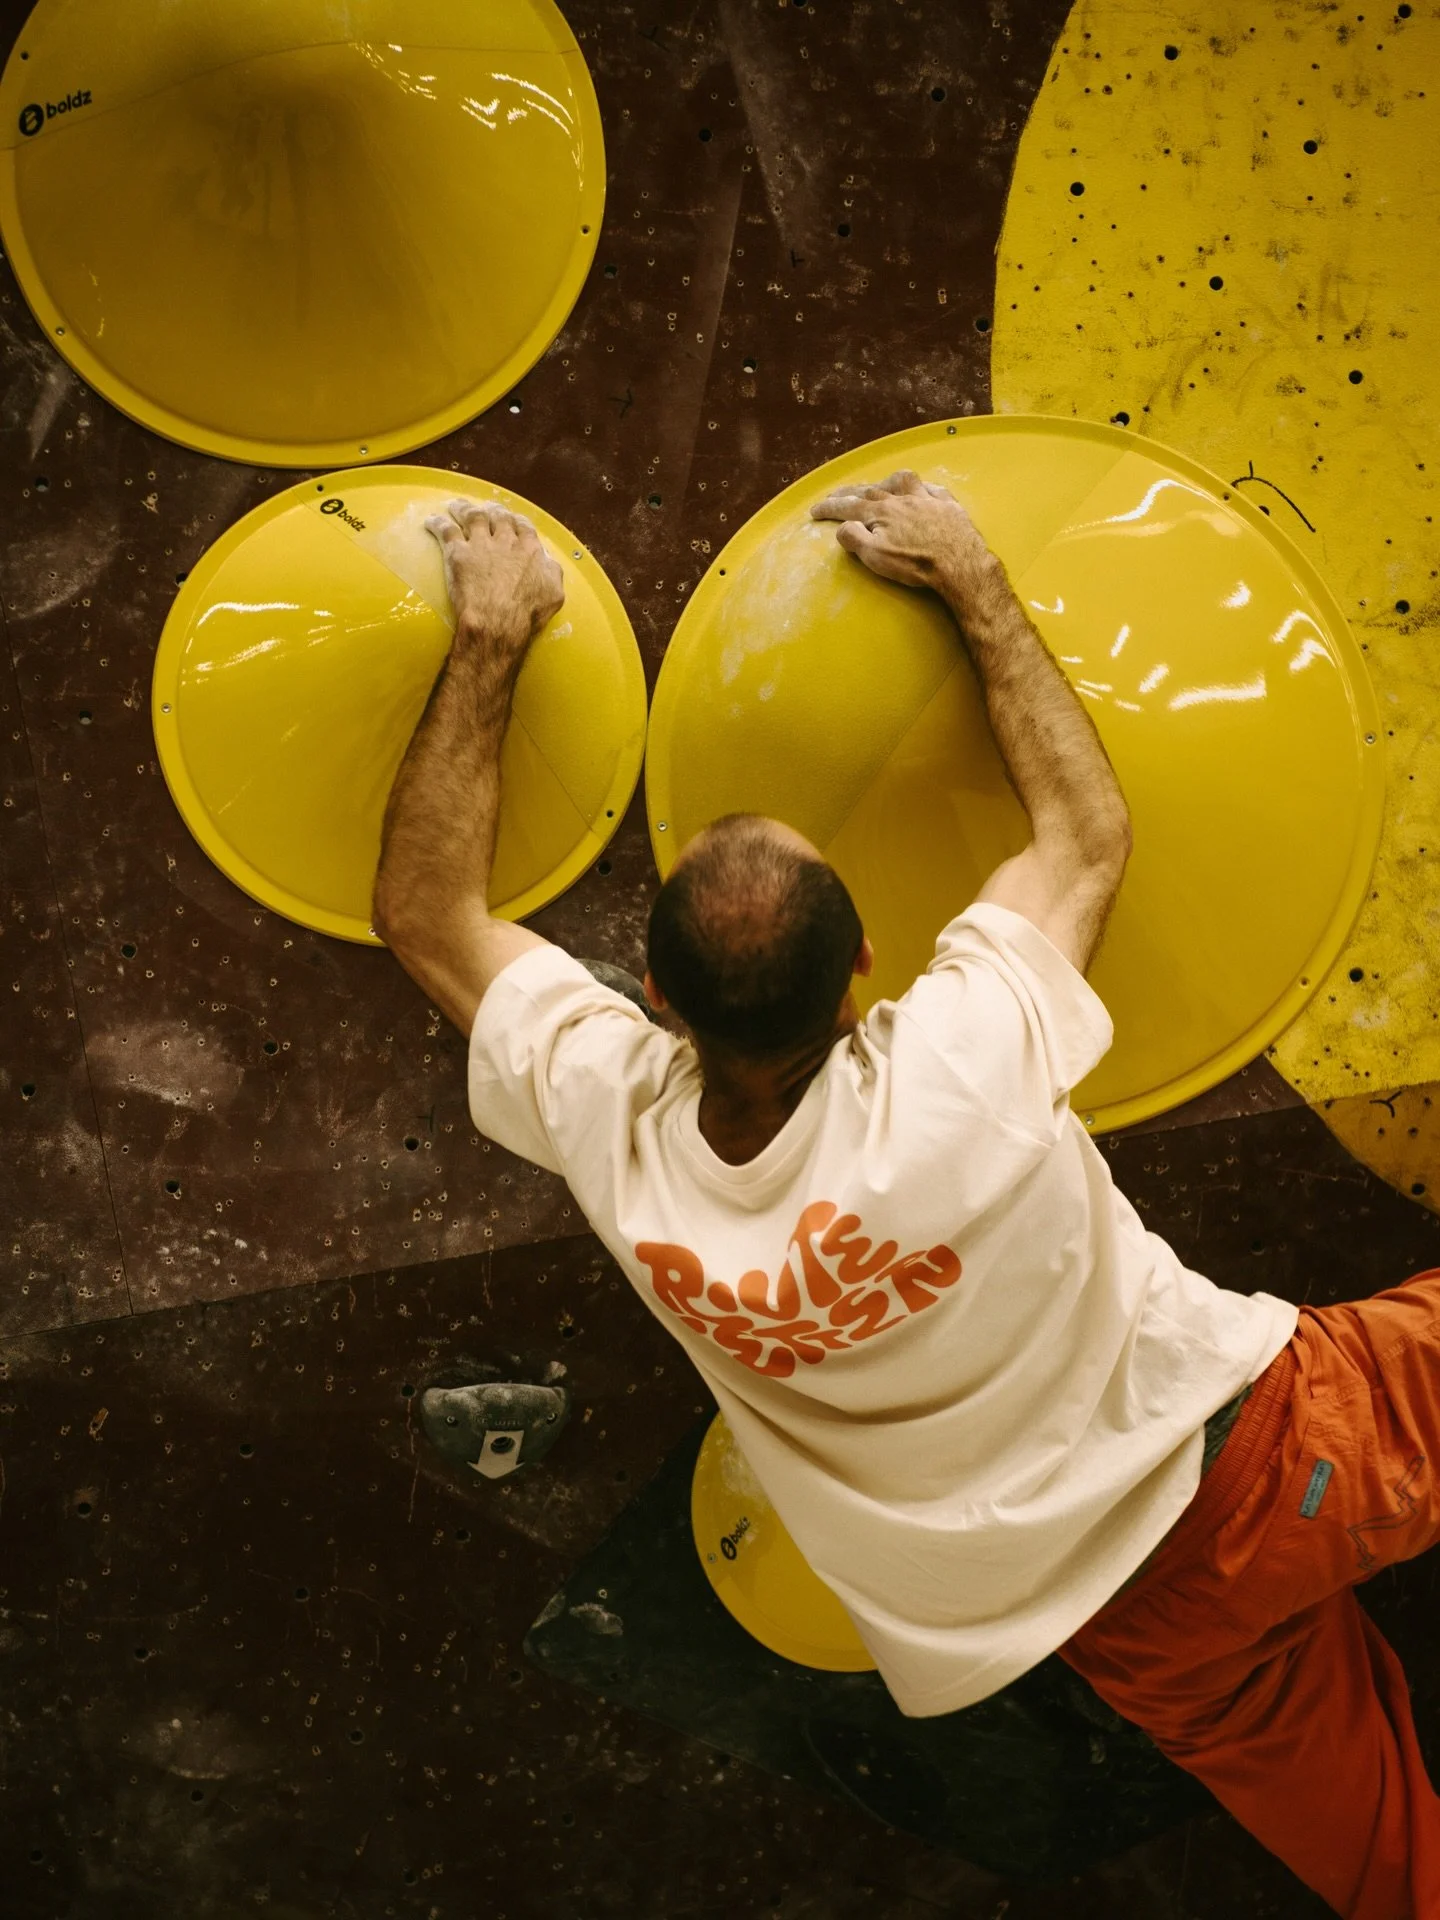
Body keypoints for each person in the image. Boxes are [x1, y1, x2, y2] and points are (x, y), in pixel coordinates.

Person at [373, 474, 1440, 1920]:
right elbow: (1085, 833)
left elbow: (427, 914)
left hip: (1121, 1625)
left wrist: (488, 640)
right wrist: (975, 583)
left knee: (1401, 1872)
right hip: (1271, 1453)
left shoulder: (613, 1135)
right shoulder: (956, 1060)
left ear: (657, 1001)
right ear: (869, 959)